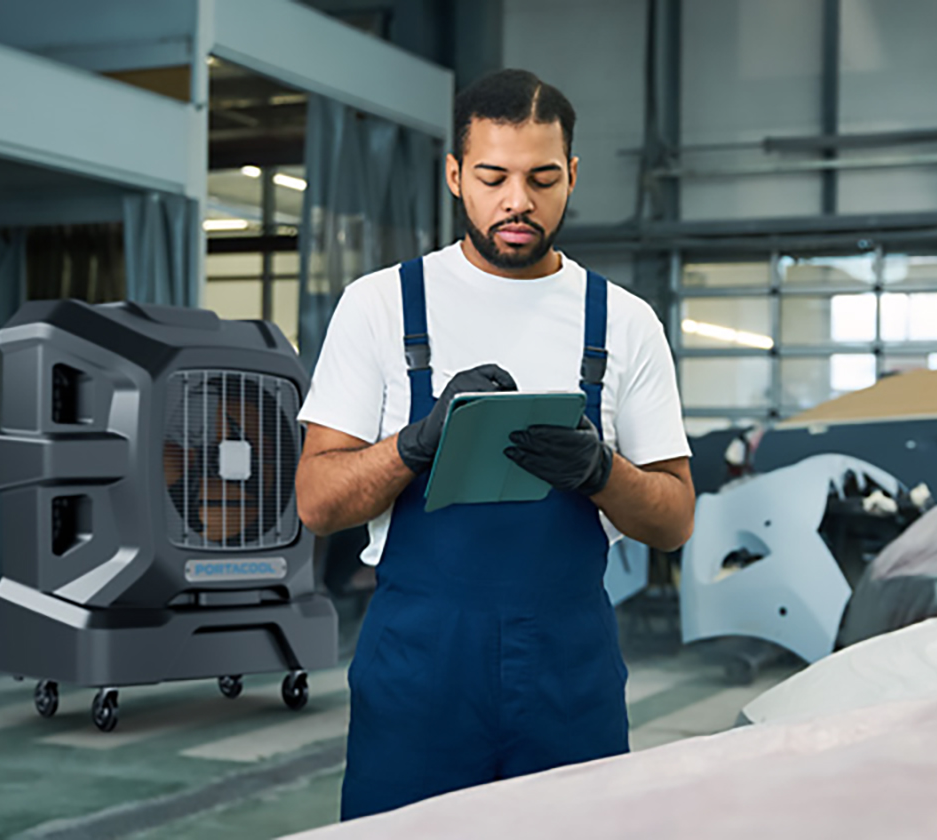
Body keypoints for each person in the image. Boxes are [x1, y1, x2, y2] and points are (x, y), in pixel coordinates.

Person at [294, 69, 695, 821]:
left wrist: (601, 471)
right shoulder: (381, 305)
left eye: (544, 179)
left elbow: (674, 519)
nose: (519, 201)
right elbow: (317, 502)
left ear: (572, 176)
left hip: (568, 671)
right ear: (454, 176)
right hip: (420, 668)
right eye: (493, 177)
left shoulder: (624, 321)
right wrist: (413, 446)